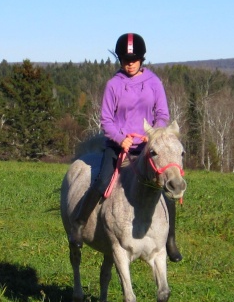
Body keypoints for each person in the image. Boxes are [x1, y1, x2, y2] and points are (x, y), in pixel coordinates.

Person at [73, 33, 182, 262]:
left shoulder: (154, 83)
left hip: (146, 147)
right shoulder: (114, 85)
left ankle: (170, 239)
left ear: (142, 59)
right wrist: (121, 138)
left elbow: (162, 114)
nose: (129, 63)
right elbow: (106, 121)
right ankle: (79, 224)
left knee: (166, 185)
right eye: (125, 59)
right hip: (118, 145)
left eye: (133, 59)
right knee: (102, 181)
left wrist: (154, 135)